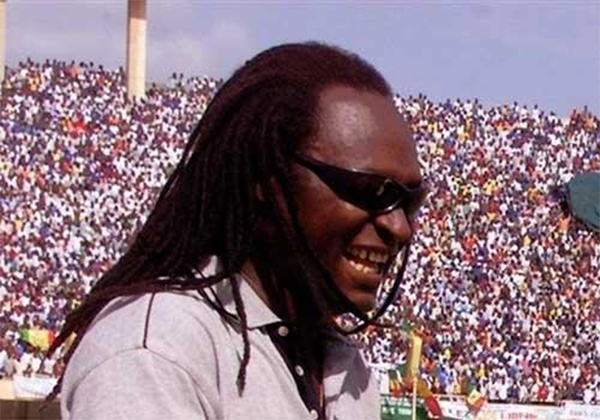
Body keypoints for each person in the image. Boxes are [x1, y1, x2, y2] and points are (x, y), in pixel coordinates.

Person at [47, 42, 427, 420]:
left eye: (410, 201)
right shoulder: (157, 352)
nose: (399, 227)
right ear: (269, 178)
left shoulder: (342, 365)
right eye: (369, 191)